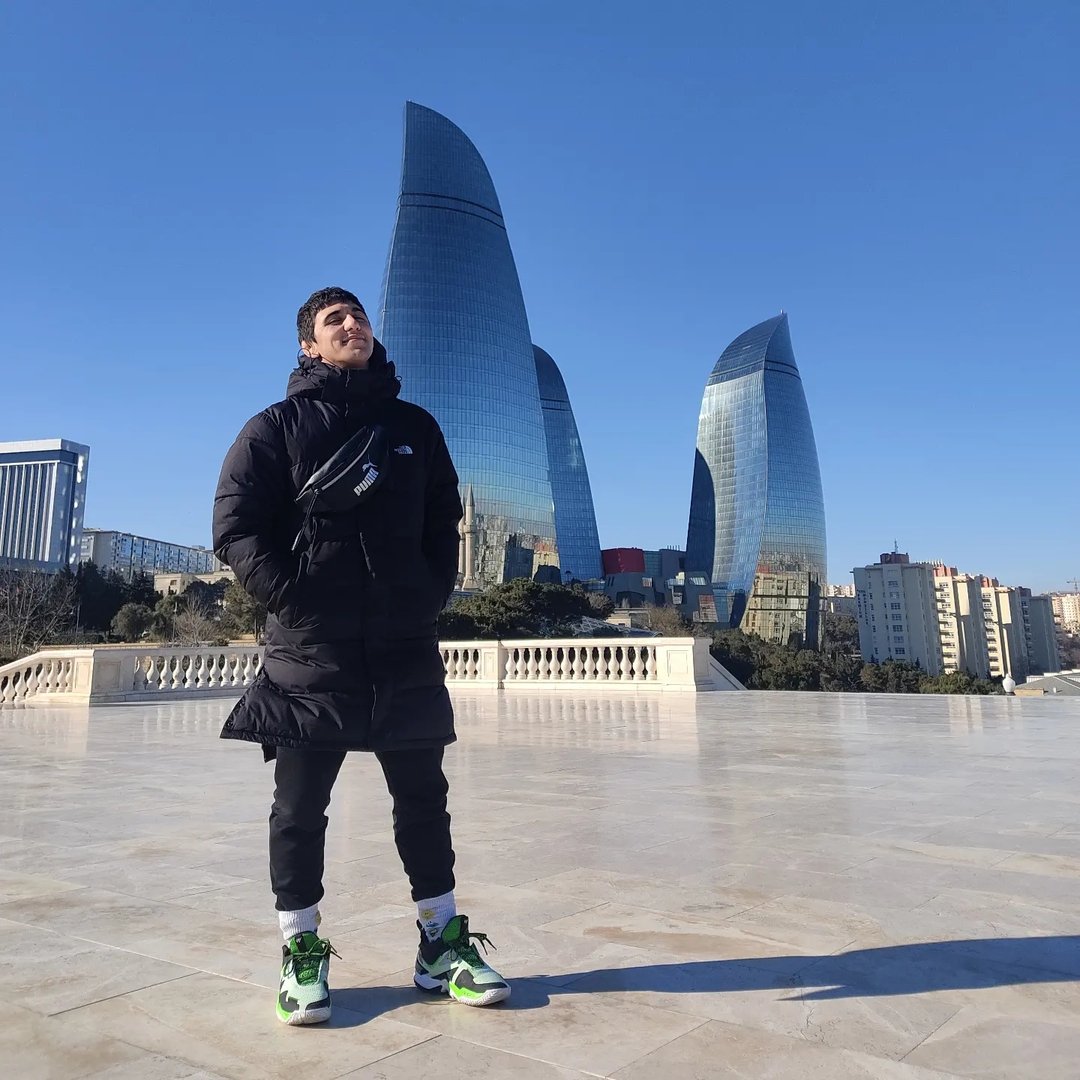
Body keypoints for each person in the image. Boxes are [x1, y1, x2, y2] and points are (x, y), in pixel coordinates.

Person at [212, 286, 510, 1025]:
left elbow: (444, 517)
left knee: (424, 802)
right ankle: (300, 949)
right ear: (308, 345)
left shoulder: (415, 427)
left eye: (360, 316)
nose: (353, 325)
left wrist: (429, 591)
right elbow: (235, 527)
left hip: (404, 647)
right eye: (334, 320)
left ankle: (440, 942)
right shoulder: (274, 428)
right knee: (298, 809)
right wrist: (293, 597)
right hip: (312, 652)